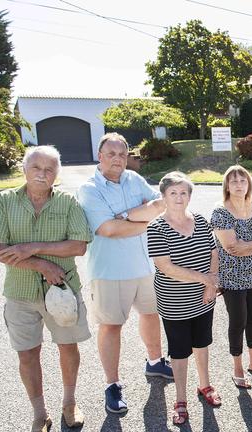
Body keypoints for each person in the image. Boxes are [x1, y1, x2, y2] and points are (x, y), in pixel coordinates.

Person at [0, 146, 92, 432]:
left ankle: (69, 402)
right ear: (24, 169)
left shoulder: (67, 202)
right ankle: (39, 415)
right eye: (36, 167)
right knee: (27, 354)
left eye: (49, 169)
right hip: (20, 293)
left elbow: (78, 245)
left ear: (57, 174)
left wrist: (31, 247)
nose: (42, 173)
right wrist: (39, 263)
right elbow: (1, 250)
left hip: (62, 290)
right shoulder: (4, 201)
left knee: (67, 347)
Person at [77, 133, 172, 415]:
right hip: (110, 271)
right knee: (111, 326)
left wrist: (126, 216)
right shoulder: (90, 188)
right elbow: (108, 230)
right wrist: (144, 220)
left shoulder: (134, 179)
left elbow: (161, 205)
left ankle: (155, 362)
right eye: (111, 153)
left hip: (144, 267)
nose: (117, 159)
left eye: (122, 153)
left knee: (151, 315)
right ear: (100, 155)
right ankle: (113, 384)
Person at [147, 172, 221, 425]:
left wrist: (212, 284)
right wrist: (206, 280)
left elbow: (213, 251)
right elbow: (166, 267)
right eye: (173, 193)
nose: (179, 198)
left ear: (189, 196)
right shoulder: (156, 227)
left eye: (183, 193)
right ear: (164, 196)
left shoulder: (200, 220)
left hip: (204, 298)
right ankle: (180, 399)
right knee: (179, 352)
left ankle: (205, 385)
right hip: (174, 301)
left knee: (202, 343)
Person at [211, 165, 252, 389]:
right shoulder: (220, 211)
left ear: (249, 184)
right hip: (232, 277)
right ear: (227, 185)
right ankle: (237, 367)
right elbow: (230, 247)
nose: (239, 185)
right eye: (234, 181)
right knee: (238, 322)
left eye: (243, 180)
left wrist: (247, 245)